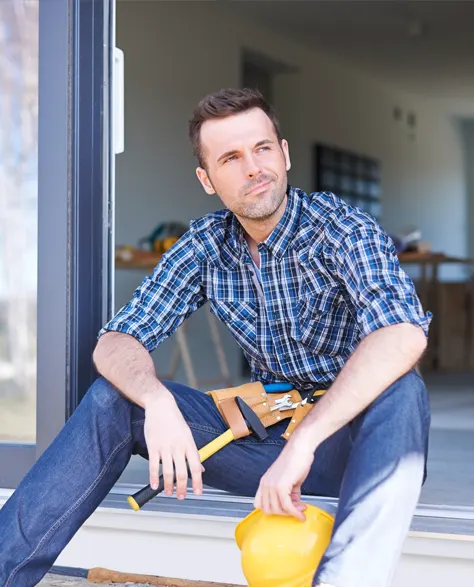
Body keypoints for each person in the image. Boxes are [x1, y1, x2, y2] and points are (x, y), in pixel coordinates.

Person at [0, 88, 431, 587]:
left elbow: (401, 334)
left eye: (262, 148)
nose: (254, 167)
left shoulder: (342, 229)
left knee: (402, 388)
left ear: (284, 154)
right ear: (207, 179)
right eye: (231, 157)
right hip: (269, 443)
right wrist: (156, 400)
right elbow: (116, 341)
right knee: (114, 399)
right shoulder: (206, 244)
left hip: (356, 450)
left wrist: (306, 443)